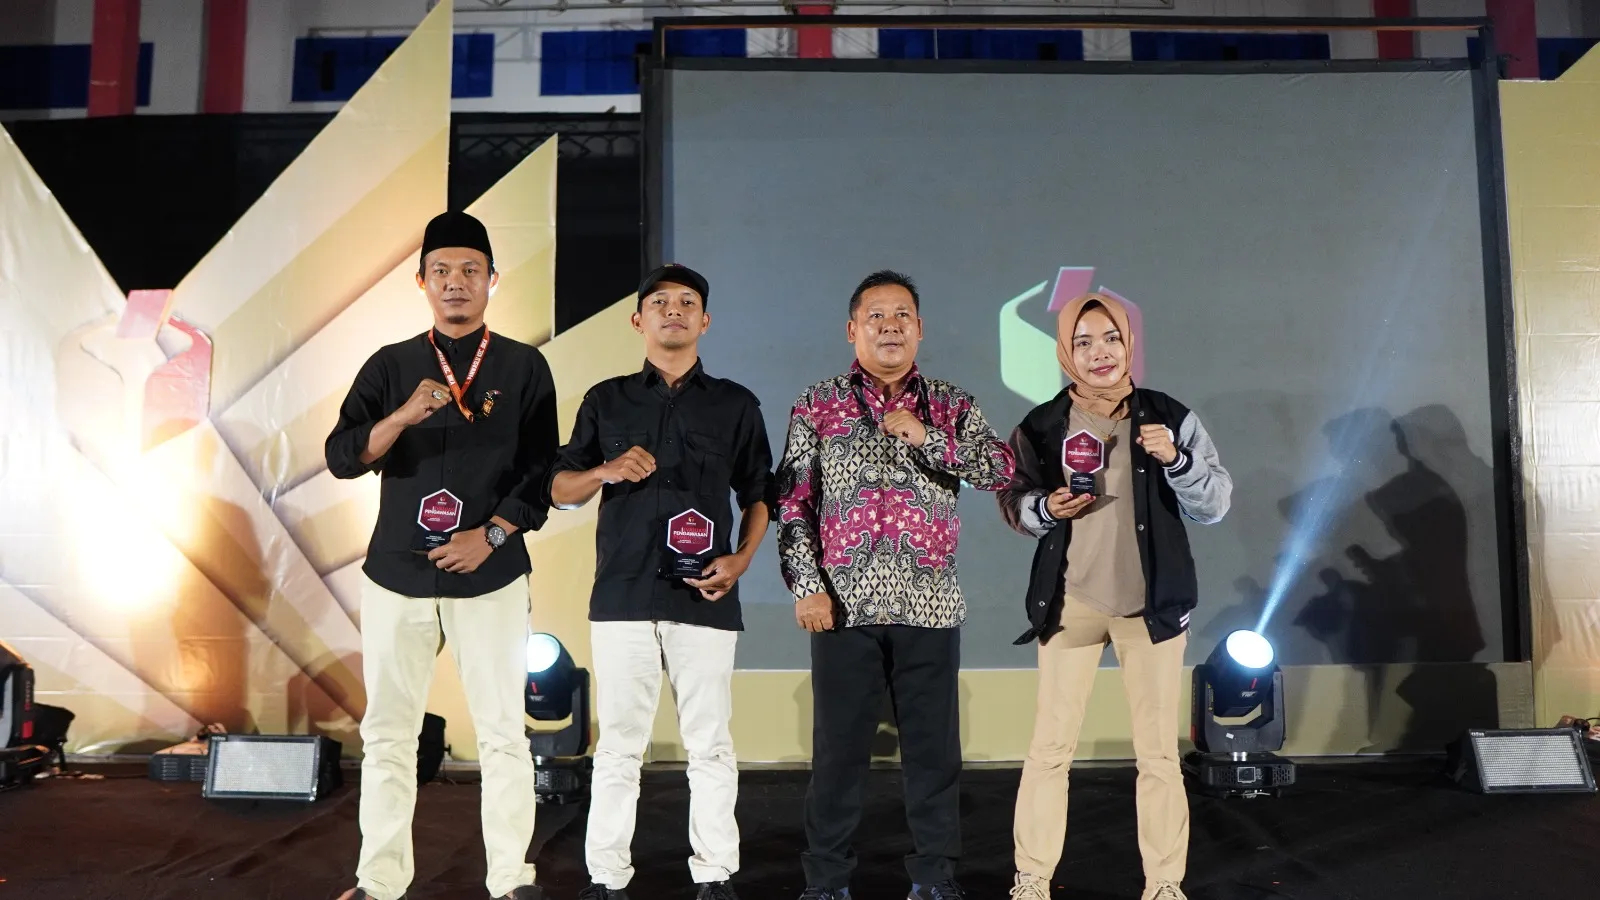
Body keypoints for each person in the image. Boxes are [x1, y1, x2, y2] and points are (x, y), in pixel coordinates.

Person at [325, 211, 558, 900]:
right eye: (442, 271)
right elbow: (342, 456)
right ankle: (379, 882)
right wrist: (400, 417)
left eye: (470, 271)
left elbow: (542, 474)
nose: (456, 282)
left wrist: (491, 535)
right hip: (397, 575)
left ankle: (511, 879)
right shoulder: (390, 364)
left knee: (503, 734)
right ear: (421, 281)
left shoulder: (523, 365)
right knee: (389, 734)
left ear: (492, 280)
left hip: (490, 574)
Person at [777, 270, 1016, 900]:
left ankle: (934, 877)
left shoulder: (950, 403)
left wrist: (927, 436)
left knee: (934, 756)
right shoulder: (818, 403)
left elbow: (999, 470)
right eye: (876, 316)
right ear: (852, 329)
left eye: (902, 315)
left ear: (920, 328)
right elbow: (793, 502)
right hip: (842, 607)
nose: (890, 326)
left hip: (929, 605)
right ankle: (827, 880)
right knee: (838, 755)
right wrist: (806, 585)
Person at [548, 264, 775, 900]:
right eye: (660, 302)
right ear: (638, 319)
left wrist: (742, 559)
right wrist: (605, 470)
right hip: (622, 596)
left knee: (711, 744)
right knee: (619, 746)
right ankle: (606, 878)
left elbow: (760, 492)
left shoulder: (735, 404)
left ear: (705, 320)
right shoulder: (606, 400)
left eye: (687, 302)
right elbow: (560, 488)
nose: (673, 310)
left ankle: (715, 875)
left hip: (705, 594)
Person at [998, 292, 1231, 900]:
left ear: (1129, 344)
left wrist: (1175, 458)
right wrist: (1046, 507)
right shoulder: (1042, 425)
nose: (1099, 353)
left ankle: (1164, 884)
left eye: (1110, 339)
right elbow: (1014, 503)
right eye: (1083, 342)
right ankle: (1032, 878)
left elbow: (1215, 504)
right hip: (1070, 601)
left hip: (1152, 609)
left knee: (1157, 753)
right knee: (1050, 748)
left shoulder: (1168, 416)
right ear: (1065, 352)